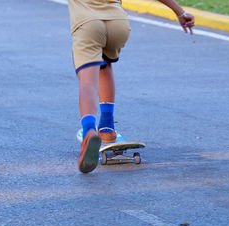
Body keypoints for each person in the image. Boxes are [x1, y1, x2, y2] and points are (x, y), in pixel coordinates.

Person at [69, 0, 195, 173]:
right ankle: (106, 128)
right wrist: (180, 12)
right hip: (118, 24)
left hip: (88, 23)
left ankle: (89, 132)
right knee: (105, 66)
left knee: (88, 82)